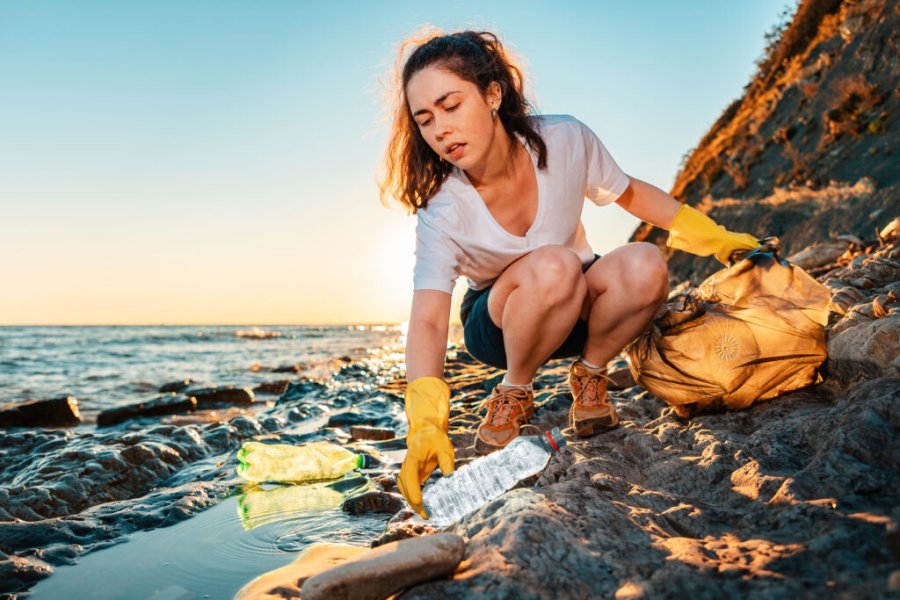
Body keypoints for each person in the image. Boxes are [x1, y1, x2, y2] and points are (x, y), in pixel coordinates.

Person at [379, 30, 759, 518]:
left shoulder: (563, 139)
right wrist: (425, 423)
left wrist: (717, 238)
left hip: (580, 301)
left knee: (643, 262)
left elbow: (630, 193)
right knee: (554, 263)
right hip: (499, 323)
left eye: (450, 105)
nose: (440, 130)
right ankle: (515, 392)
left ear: (492, 94)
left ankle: (592, 375)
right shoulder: (442, 207)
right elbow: (429, 319)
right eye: (425, 119)